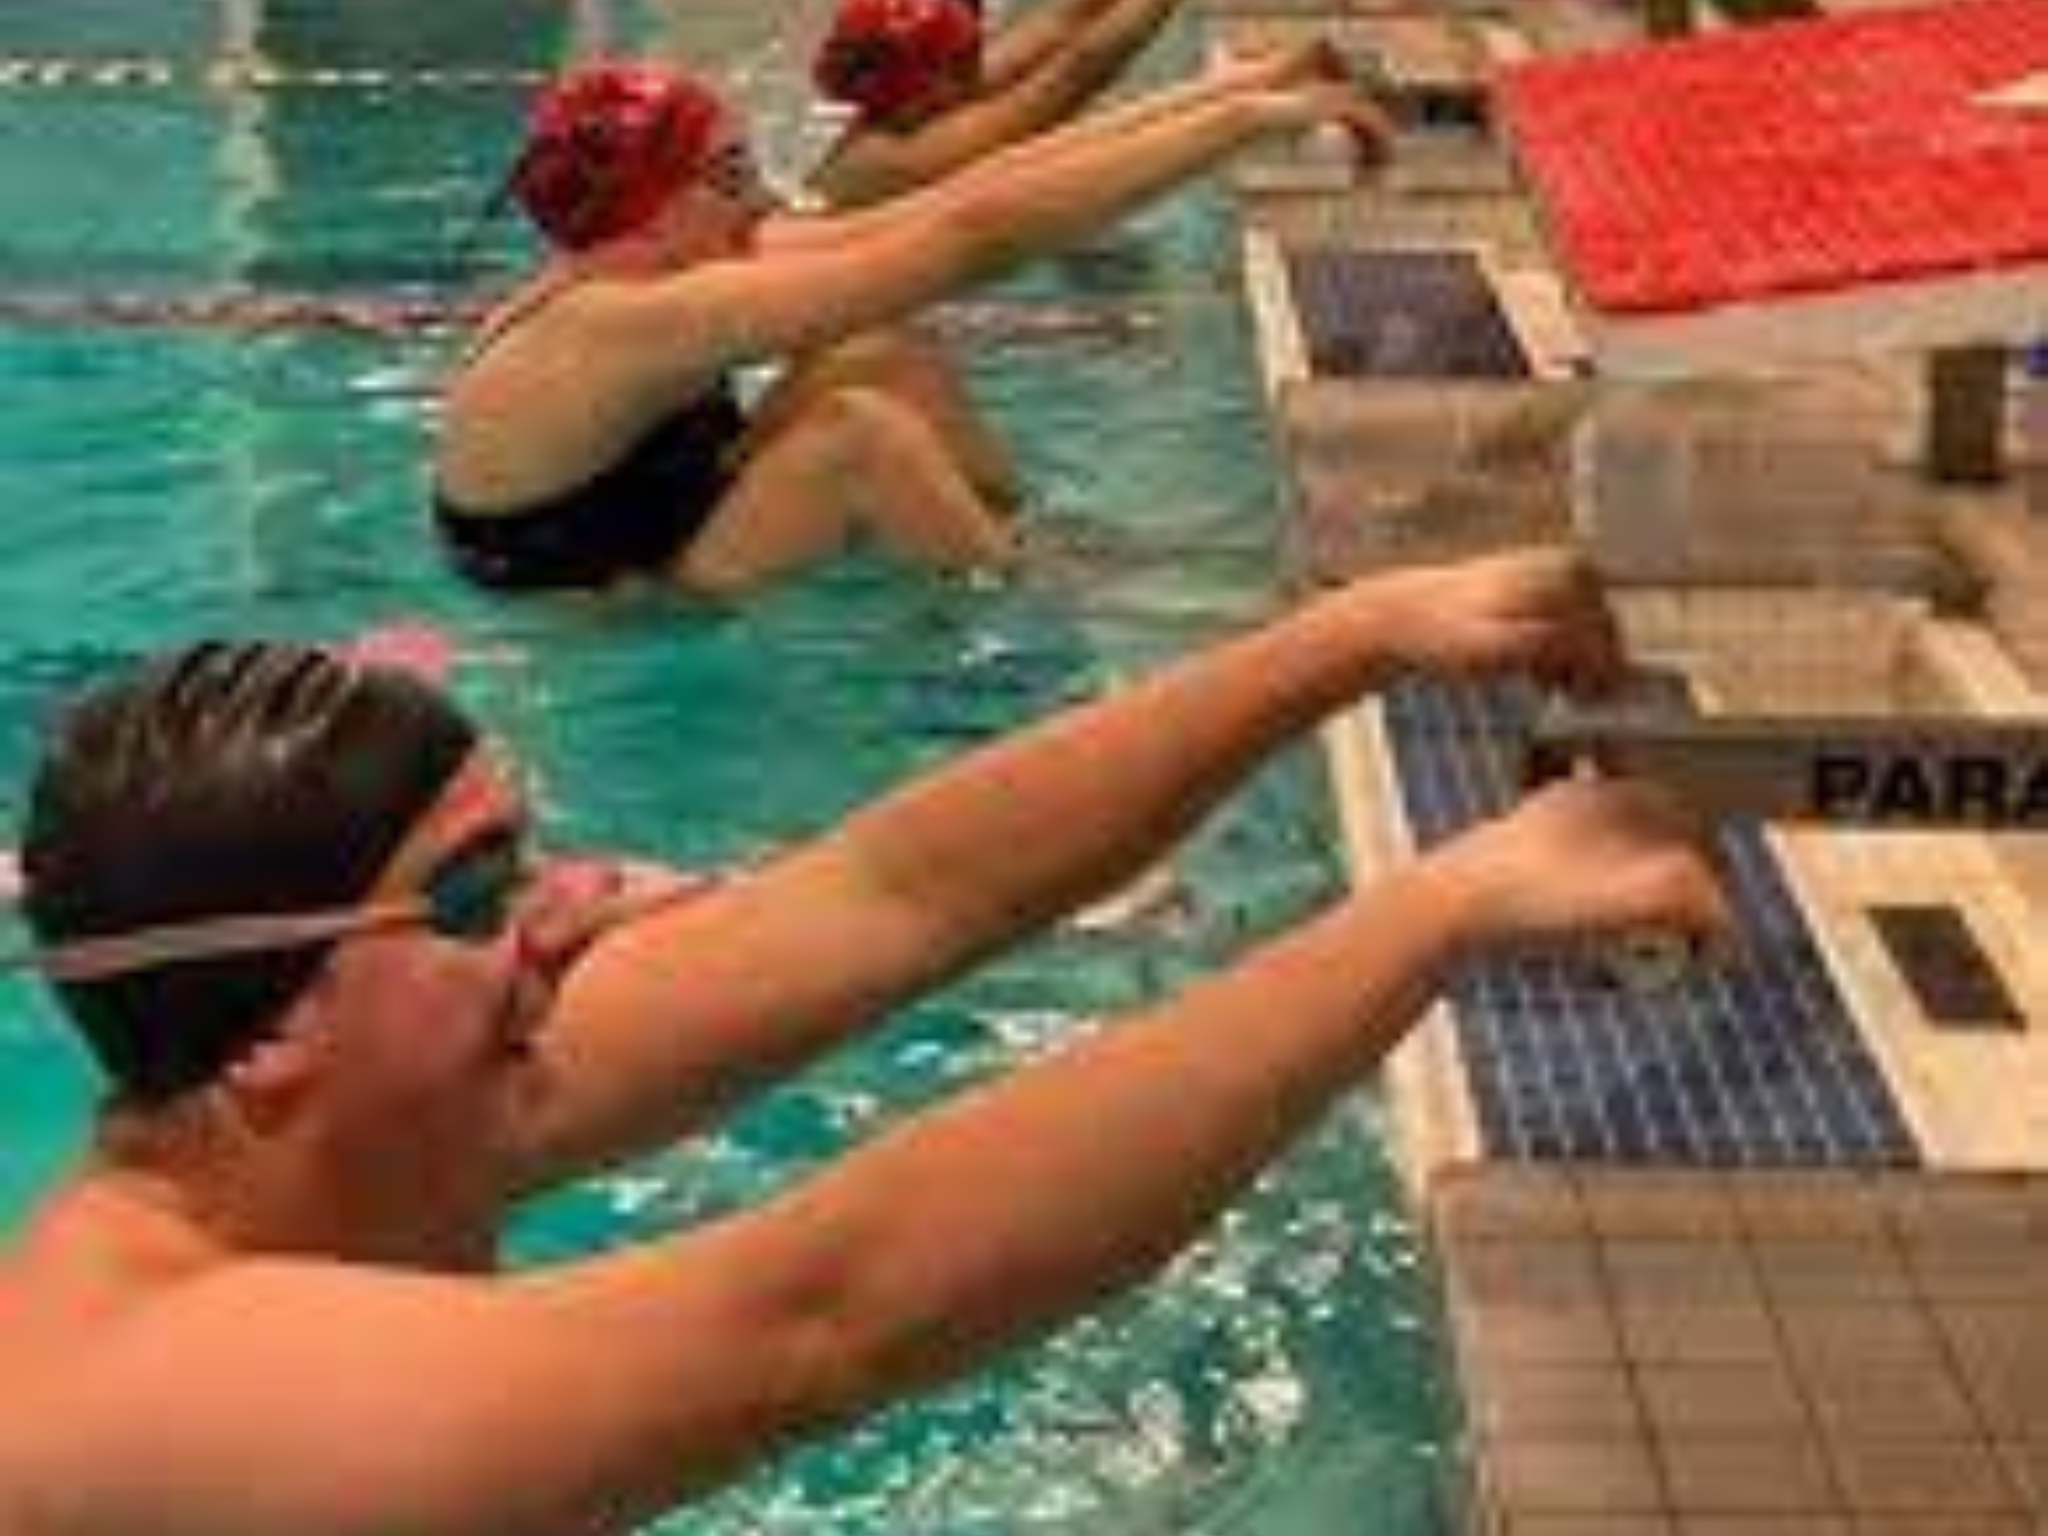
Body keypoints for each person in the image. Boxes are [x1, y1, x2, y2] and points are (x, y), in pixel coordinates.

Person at [0, 547, 1728, 1536]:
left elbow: (886, 895)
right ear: (272, 1035)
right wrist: (1431, 912)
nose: (563, 925)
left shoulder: (358, 1112)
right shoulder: (156, 1395)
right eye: (470, 899)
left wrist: (1346, 637)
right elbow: (826, 1318)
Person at [431, 53, 1386, 599]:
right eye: (730, 173)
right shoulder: (625, 320)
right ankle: (1014, 635)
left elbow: (966, 196)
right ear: (656, 199)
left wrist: (1247, 92)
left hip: (659, 528)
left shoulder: (663, 261)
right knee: (855, 440)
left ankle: (1024, 546)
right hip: (599, 616)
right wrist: (1240, 127)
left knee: (877, 352)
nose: (760, 192)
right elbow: (969, 239)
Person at [807, 0, 1188, 208]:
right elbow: (1077, 75)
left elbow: (1059, 22)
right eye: (960, 59)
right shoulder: (897, 159)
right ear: (924, 76)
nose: (974, 66)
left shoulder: (908, 99)